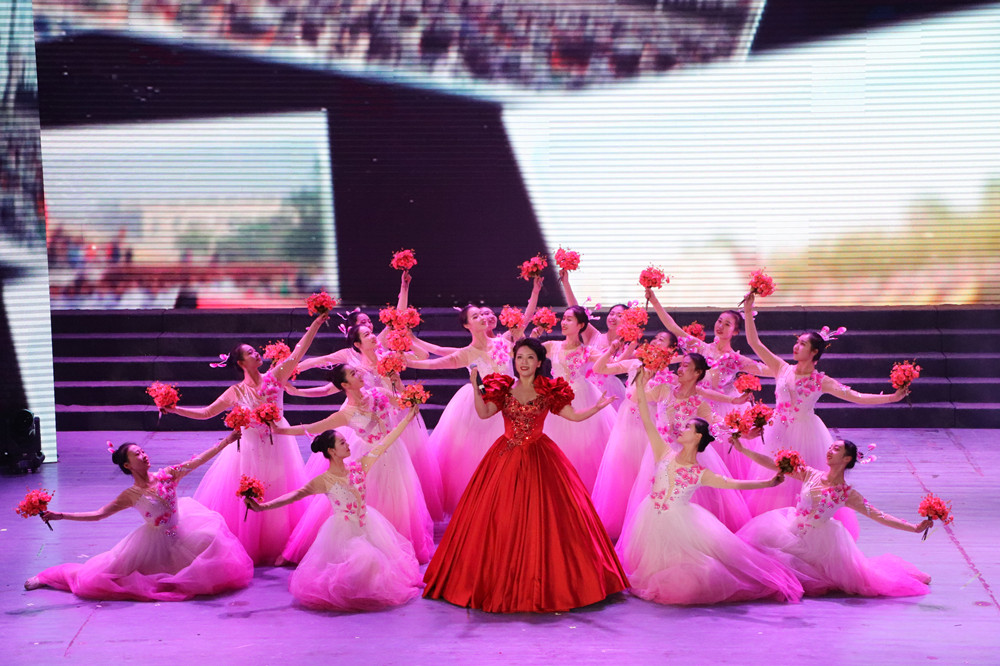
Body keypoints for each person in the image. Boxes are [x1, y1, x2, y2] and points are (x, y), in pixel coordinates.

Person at [423, 338, 628, 613]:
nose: (524, 362)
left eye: (530, 357)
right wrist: (475, 386)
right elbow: (484, 414)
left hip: (541, 457)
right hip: (505, 456)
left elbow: (573, 416)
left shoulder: (549, 389)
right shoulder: (503, 387)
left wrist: (598, 407)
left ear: (539, 362)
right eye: (520, 357)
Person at [615, 372, 802, 605]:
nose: (681, 429)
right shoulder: (663, 451)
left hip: (678, 521)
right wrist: (640, 386)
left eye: (688, 427)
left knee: (686, 570)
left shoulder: (699, 472)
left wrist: (767, 483)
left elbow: (734, 484)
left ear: (697, 437)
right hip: (651, 515)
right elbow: (646, 418)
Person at [162, 312, 328, 564]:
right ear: (241, 362)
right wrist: (175, 410)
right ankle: (249, 544)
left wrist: (315, 323)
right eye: (250, 353)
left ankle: (280, 545)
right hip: (248, 448)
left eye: (255, 351)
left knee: (278, 488)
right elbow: (206, 413)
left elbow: (298, 352)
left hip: (279, 444)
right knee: (250, 492)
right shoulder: (235, 391)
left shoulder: (276, 376)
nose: (256, 354)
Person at [26, 431, 253, 601]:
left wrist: (225, 442)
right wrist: (60, 515)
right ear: (127, 465)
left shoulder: (167, 475)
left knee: (211, 544)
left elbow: (197, 461)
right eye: (137, 454)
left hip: (182, 533)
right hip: (153, 543)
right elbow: (99, 514)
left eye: (143, 451)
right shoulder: (131, 495)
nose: (144, 456)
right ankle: (47, 577)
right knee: (98, 576)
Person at [741, 292, 908, 518]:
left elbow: (856, 396)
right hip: (776, 430)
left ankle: (802, 525)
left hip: (805, 434)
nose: (796, 346)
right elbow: (755, 343)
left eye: (802, 344)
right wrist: (748, 311)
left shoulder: (820, 381)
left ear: (814, 352)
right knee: (774, 478)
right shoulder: (782, 368)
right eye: (797, 342)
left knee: (801, 484)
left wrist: (890, 398)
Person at [246, 408, 424, 611]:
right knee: (361, 559)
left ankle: (364, 587)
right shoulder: (324, 481)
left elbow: (387, 441)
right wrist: (263, 506)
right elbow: (294, 495)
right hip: (342, 532)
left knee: (373, 562)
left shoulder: (359, 466)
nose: (348, 444)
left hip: (368, 525)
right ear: (331, 451)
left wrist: (408, 418)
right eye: (342, 443)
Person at [275, 364, 434, 564]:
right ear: (345, 385)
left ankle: (394, 546)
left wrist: (403, 389)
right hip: (367, 455)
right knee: (365, 500)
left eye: (357, 371)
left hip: (393, 451)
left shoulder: (379, 392)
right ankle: (366, 549)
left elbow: (404, 405)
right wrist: (280, 430)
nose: (359, 374)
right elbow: (312, 427)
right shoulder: (346, 413)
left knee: (398, 498)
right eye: (353, 373)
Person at [734, 438, 932, 597]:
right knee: (762, 557)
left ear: (847, 459)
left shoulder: (846, 493)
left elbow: (878, 515)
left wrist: (914, 528)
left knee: (844, 576)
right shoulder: (810, 474)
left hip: (818, 542)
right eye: (830, 448)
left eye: (836, 449)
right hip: (790, 530)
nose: (830, 451)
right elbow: (774, 464)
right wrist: (743, 450)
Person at [646, 286, 772, 478]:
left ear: (735, 331)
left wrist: (794, 371)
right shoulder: (701, 348)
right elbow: (673, 327)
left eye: (727, 324)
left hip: (722, 411)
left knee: (722, 465)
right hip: (696, 408)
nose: (720, 326)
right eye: (719, 321)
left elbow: (768, 370)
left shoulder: (736, 359)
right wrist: (654, 300)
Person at [624, 352, 753, 533]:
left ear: (697, 373)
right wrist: (643, 379)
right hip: (661, 452)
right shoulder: (664, 390)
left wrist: (743, 432)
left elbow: (717, 423)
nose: (680, 369)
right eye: (681, 365)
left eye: (686, 366)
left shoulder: (699, 403)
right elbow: (635, 398)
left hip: (685, 458)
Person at [590, 333, 676, 539]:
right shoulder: (635, 364)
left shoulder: (666, 377)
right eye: (655, 339)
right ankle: (621, 521)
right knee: (622, 470)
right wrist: (611, 351)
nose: (655, 341)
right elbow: (599, 369)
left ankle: (643, 523)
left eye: (662, 340)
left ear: (671, 350)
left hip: (649, 426)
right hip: (626, 424)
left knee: (645, 473)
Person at [541, 305, 617, 491]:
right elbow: (526, 351)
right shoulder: (552, 346)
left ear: (581, 325)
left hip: (582, 396)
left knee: (583, 447)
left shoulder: (587, 351)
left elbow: (612, 363)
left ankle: (579, 489)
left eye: (569, 319)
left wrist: (615, 349)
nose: (564, 322)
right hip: (557, 396)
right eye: (563, 318)